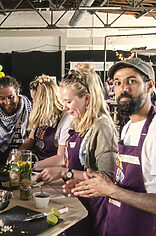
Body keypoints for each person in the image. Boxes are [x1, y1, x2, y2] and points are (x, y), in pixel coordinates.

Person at [65, 58, 156, 236]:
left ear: (150, 86)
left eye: (132, 81)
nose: (123, 88)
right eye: (117, 82)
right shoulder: (129, 127)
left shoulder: (154, 130)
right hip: (116, 226)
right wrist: (93, 184)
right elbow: (121, 181)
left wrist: (112, 190)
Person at [36, 64, 118, 236]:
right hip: (76, 205)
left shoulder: (101, 127)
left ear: (87, 98)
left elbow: (107, 179)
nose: (64, 107)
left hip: (93, 211)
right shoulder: (77, 122)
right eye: (63, 101)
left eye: (68, 101)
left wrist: (65, 173)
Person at [18, 75, 72, 167]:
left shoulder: (66, 119)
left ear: (44, 101)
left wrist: (31, 166)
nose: (33, 103)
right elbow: (31, 139)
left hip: (55, 172)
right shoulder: (41, 115)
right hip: (39, 168)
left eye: (35, 100)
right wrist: (20, 151)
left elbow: (61, 158)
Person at [0, 75, 32, 164]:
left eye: (10, 97)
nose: (7, 102)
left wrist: (18, 152)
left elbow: (33, 138)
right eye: (2, 98)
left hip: (23, 163)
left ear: (18, 91)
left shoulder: (30, 108)